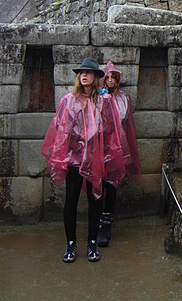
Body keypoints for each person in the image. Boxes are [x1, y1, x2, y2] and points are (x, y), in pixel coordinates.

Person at [41, 58, 126, 263]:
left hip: (96, 158)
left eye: (88, 72)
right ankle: (71, 243)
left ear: (97, 77)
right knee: (70, 200)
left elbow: (110, 131)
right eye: (81, 73)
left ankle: (92, 242)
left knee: (95, 199)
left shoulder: (104, 101)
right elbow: (61, 130)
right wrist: (65, 155)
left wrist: (104, 154)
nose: (84, 75)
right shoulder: (69, 100)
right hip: (74, 159)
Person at [97, 60, 142, 247]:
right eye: (107, 77)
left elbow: (128, 126)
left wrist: (128, 152)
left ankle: (106, 225)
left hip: (117, 148)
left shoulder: (124, 98)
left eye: (112, 77)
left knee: (112, 186)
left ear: (117, 80)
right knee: (97, 186)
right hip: (100, 147)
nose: (109, 80)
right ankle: (96, 223)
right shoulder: (97, 98)